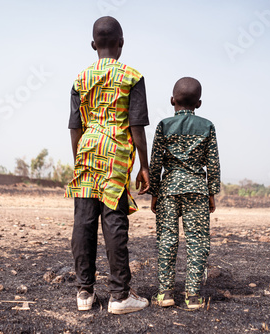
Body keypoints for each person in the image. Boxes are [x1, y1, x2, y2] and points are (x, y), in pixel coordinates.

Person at [65, 16, 150, 315]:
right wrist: (144, 166)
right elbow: (137, 125)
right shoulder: (132, 77)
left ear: (93, 45)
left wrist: (79, 159)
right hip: (115, 153)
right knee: (114, 221)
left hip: (87, 151)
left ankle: (84, 293)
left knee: (84, 221)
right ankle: (119, 296)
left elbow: (75, 126)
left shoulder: (80, 78)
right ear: (121, 44)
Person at [148, 77, 220, 309]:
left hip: (169, 190)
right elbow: (213, 163)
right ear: (198, 103)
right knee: (198, 241)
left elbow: (155, 163)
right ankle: (193, 296)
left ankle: (165, 294)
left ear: (172, 100)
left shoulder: (163, 125)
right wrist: (211, 192)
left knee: (167, 239)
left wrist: (154, 194)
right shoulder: (207, 126)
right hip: (197, 191)